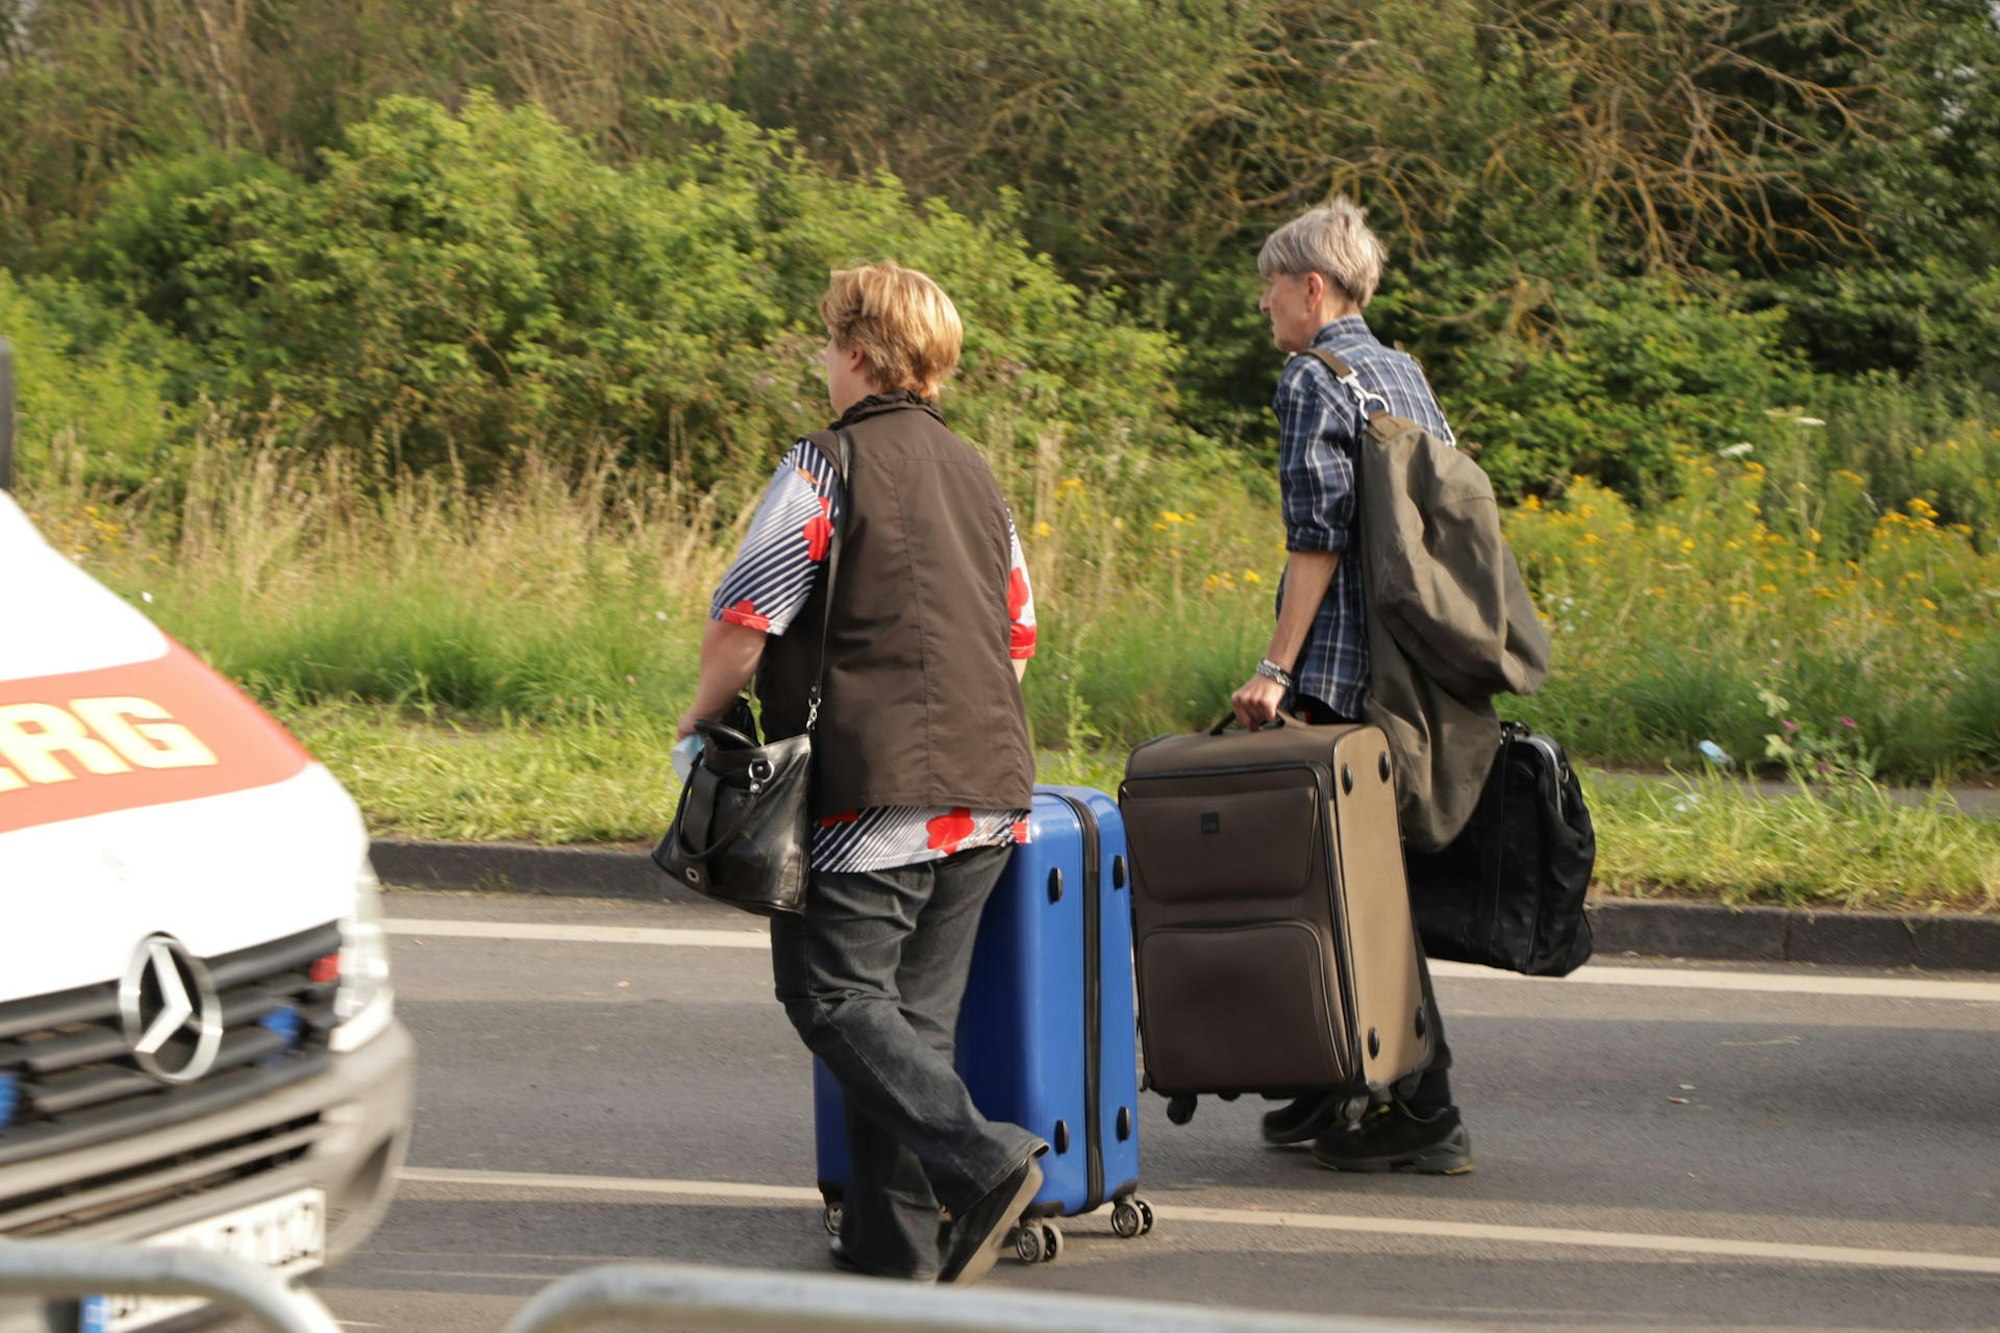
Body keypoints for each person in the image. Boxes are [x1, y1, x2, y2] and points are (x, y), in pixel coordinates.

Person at [676, 262, 1048, 1282]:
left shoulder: (824, 465)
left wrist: (697, 718)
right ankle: (896, 1249)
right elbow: (1018, 633)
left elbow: (746, 618)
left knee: (831, 998)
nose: (820, 359)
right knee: (907, 1029)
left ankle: (985, 1157)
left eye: (825, 342)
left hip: (870, 795)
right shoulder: (978, 475)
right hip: (987, 792)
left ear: (853, 350)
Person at [1228, 198, 1474, 1176]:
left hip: (1336, 676)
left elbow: (1316, 536)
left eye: (1270, 288)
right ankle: (1326, 1082)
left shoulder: (1310, 375)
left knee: (1344, 886)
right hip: (1413, 668)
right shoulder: (1401, 373)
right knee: (1344, 882)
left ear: (1311, 288)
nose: (1264, 306)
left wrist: (1275, 667)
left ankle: (1423, 1103)